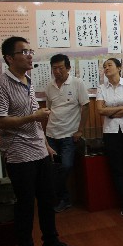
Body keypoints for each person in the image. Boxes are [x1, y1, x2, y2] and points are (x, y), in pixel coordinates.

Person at [0, 36, 77, 246]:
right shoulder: (0, 85)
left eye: (30, 51)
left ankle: (51, 243)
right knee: (26, 207)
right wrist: (33, 117)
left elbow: (35, 120)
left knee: (48, 200)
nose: (30, 55)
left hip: (39, 150)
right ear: (9, 58)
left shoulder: (27, 81)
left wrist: (45, 144)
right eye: (24, 52)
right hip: (19, 154)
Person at [45, 54, 89, 213]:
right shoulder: (49, 86)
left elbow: (86, 107)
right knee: (53, 168)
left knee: (66, 166)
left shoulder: (77, 83)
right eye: (54, 68)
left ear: (68, 68)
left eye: (60, 68)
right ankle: (63, 199)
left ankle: (61, 198)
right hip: (51, 136)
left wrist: (80, 130)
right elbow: (49, 109)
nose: (57, 71)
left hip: (69, 137)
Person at [96, 58, 123, 217]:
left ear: (119, 68)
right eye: (104, 66)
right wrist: (122, 108)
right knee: (117, 168)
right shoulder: (101, 88)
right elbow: (100, 110)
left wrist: (111, 111)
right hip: (111, 132)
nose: (106, 68)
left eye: (110, 65)